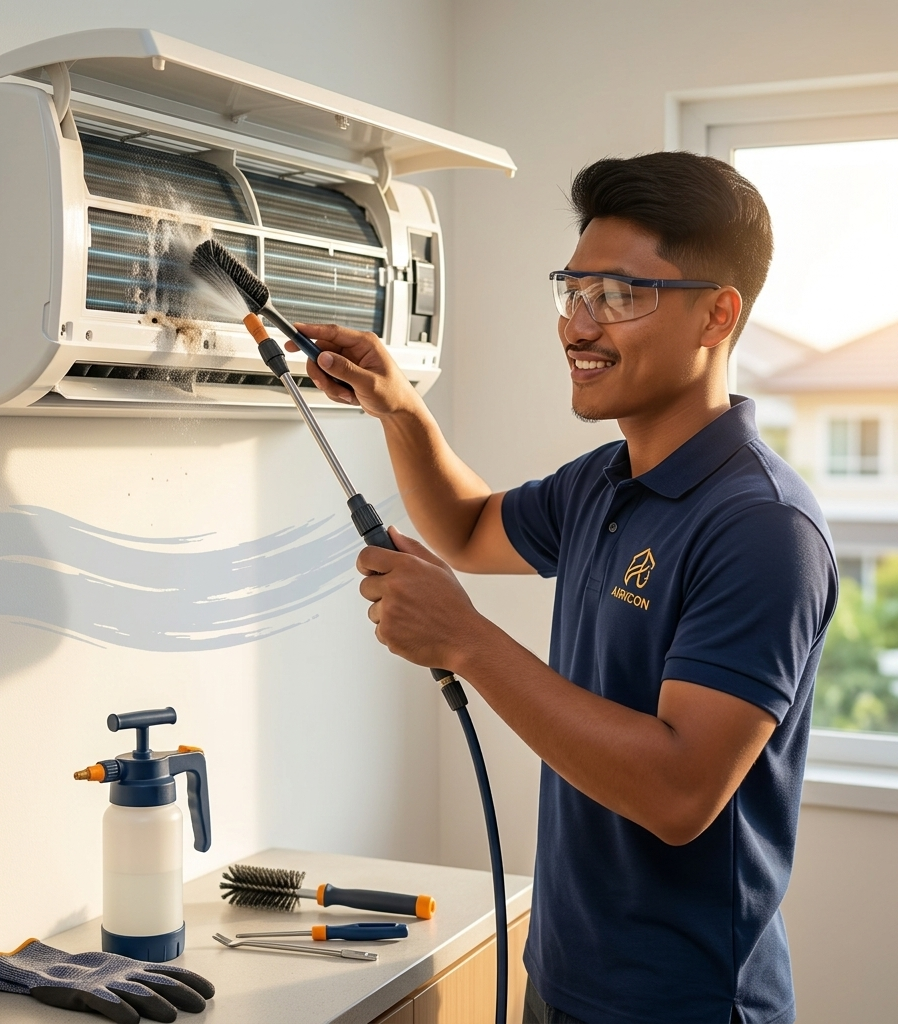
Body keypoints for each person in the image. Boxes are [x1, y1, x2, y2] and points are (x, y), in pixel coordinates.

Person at [289, 152, 837, 1024]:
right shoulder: (604, 482)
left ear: (716, 315)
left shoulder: (763, 529)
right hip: (564, 972)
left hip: (682, 1006)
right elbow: (467, 530)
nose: (579, 326)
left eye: (619, 296)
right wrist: (399, 408)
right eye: (573, 292)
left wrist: (466, 642)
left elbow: (679, 794)